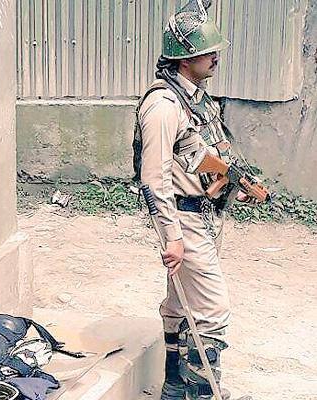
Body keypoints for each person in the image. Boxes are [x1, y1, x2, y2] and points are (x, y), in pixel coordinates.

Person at [133, 1, 258, 399]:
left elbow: (201, 157)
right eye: (208, 50)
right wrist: (171, 235)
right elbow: (154, 178)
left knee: (180, 306)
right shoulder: (163, 105)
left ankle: (174, 387)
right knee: (212, 311)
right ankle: (202, 393)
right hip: (183, 220)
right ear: (186, 57)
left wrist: (234, 183)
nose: (216, 55)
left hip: (203, 215)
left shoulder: (194, 99)